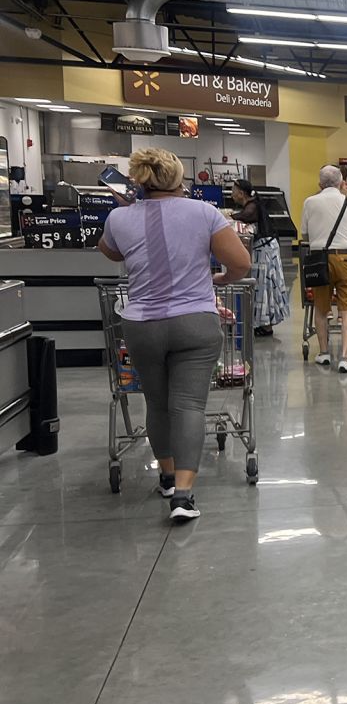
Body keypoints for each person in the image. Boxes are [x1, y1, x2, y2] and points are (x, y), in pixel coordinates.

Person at [97, 147, 251, 521]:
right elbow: (241, 263)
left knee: (158, 403)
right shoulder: (204, 213)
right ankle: (182, 495)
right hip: (194, 323)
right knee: (189, 406)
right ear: (180, 178)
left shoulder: (120, 217)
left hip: (142, 325)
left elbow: (111, 253)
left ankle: (165, 475)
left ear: (138, 180)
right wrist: (218, 279)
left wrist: (125, 211)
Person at [300, 165, 347, 372]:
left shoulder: (309, 202)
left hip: (320, 261)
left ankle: (323, 353)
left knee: (321, 308)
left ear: (319, 184)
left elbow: (305, 236)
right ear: (341, 183)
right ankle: (345, 358)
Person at [230, 179, 289, 337]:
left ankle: (265, 324)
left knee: (264, 286)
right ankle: (265, 323)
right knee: (267, 287)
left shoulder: (252, 207)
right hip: (266, 248)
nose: (231, 193)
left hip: (265, 251)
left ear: (241, 193)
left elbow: (244, 216)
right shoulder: (254, 204)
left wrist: (228, 215)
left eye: (233, 190)